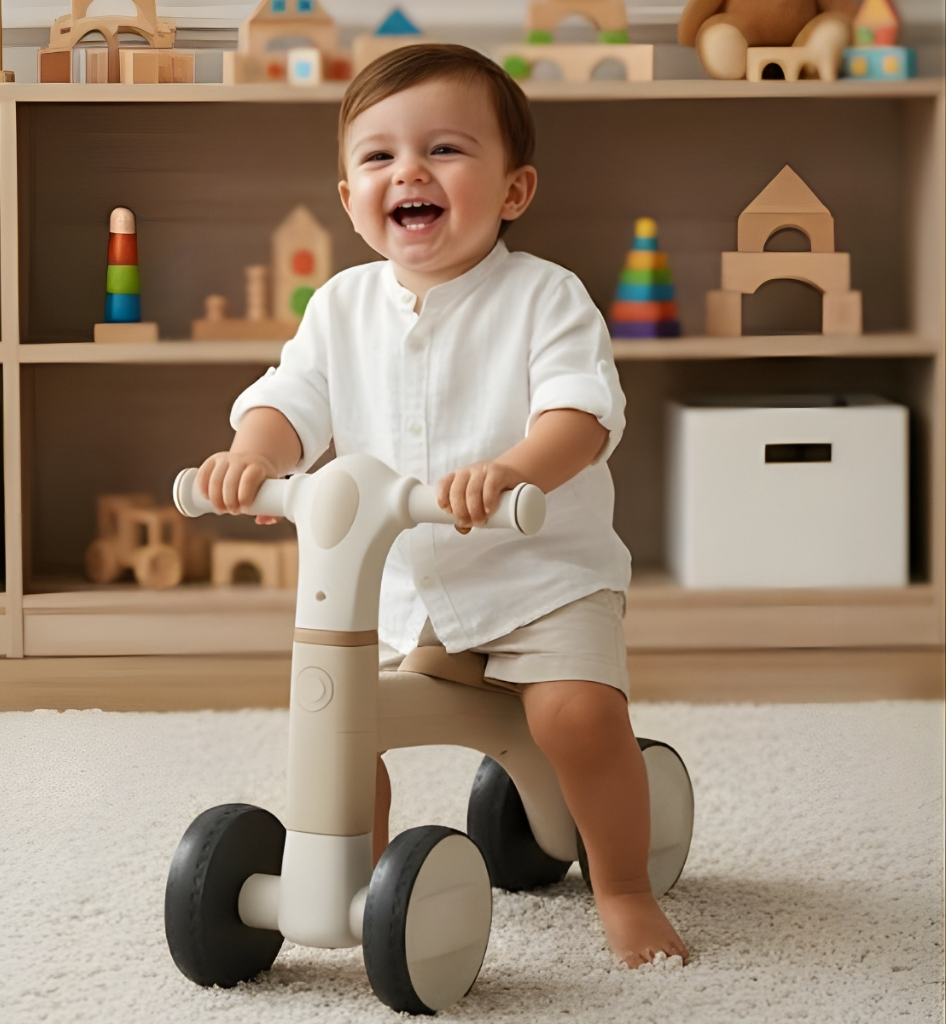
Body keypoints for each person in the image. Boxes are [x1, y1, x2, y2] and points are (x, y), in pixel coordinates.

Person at [195, 43, 688, 969]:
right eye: (379, 157)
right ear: (349, 198)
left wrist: (513, 469)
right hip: (409, 592)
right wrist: (252, 455)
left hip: (541, 576)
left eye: (446, 150)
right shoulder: (339, 306)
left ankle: (622, 885)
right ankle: (359, 886)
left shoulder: (547, 297)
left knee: (576, 716)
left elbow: (581, 415)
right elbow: (290, 398)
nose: (409, 172)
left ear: (513, 189)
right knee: (341, 723)